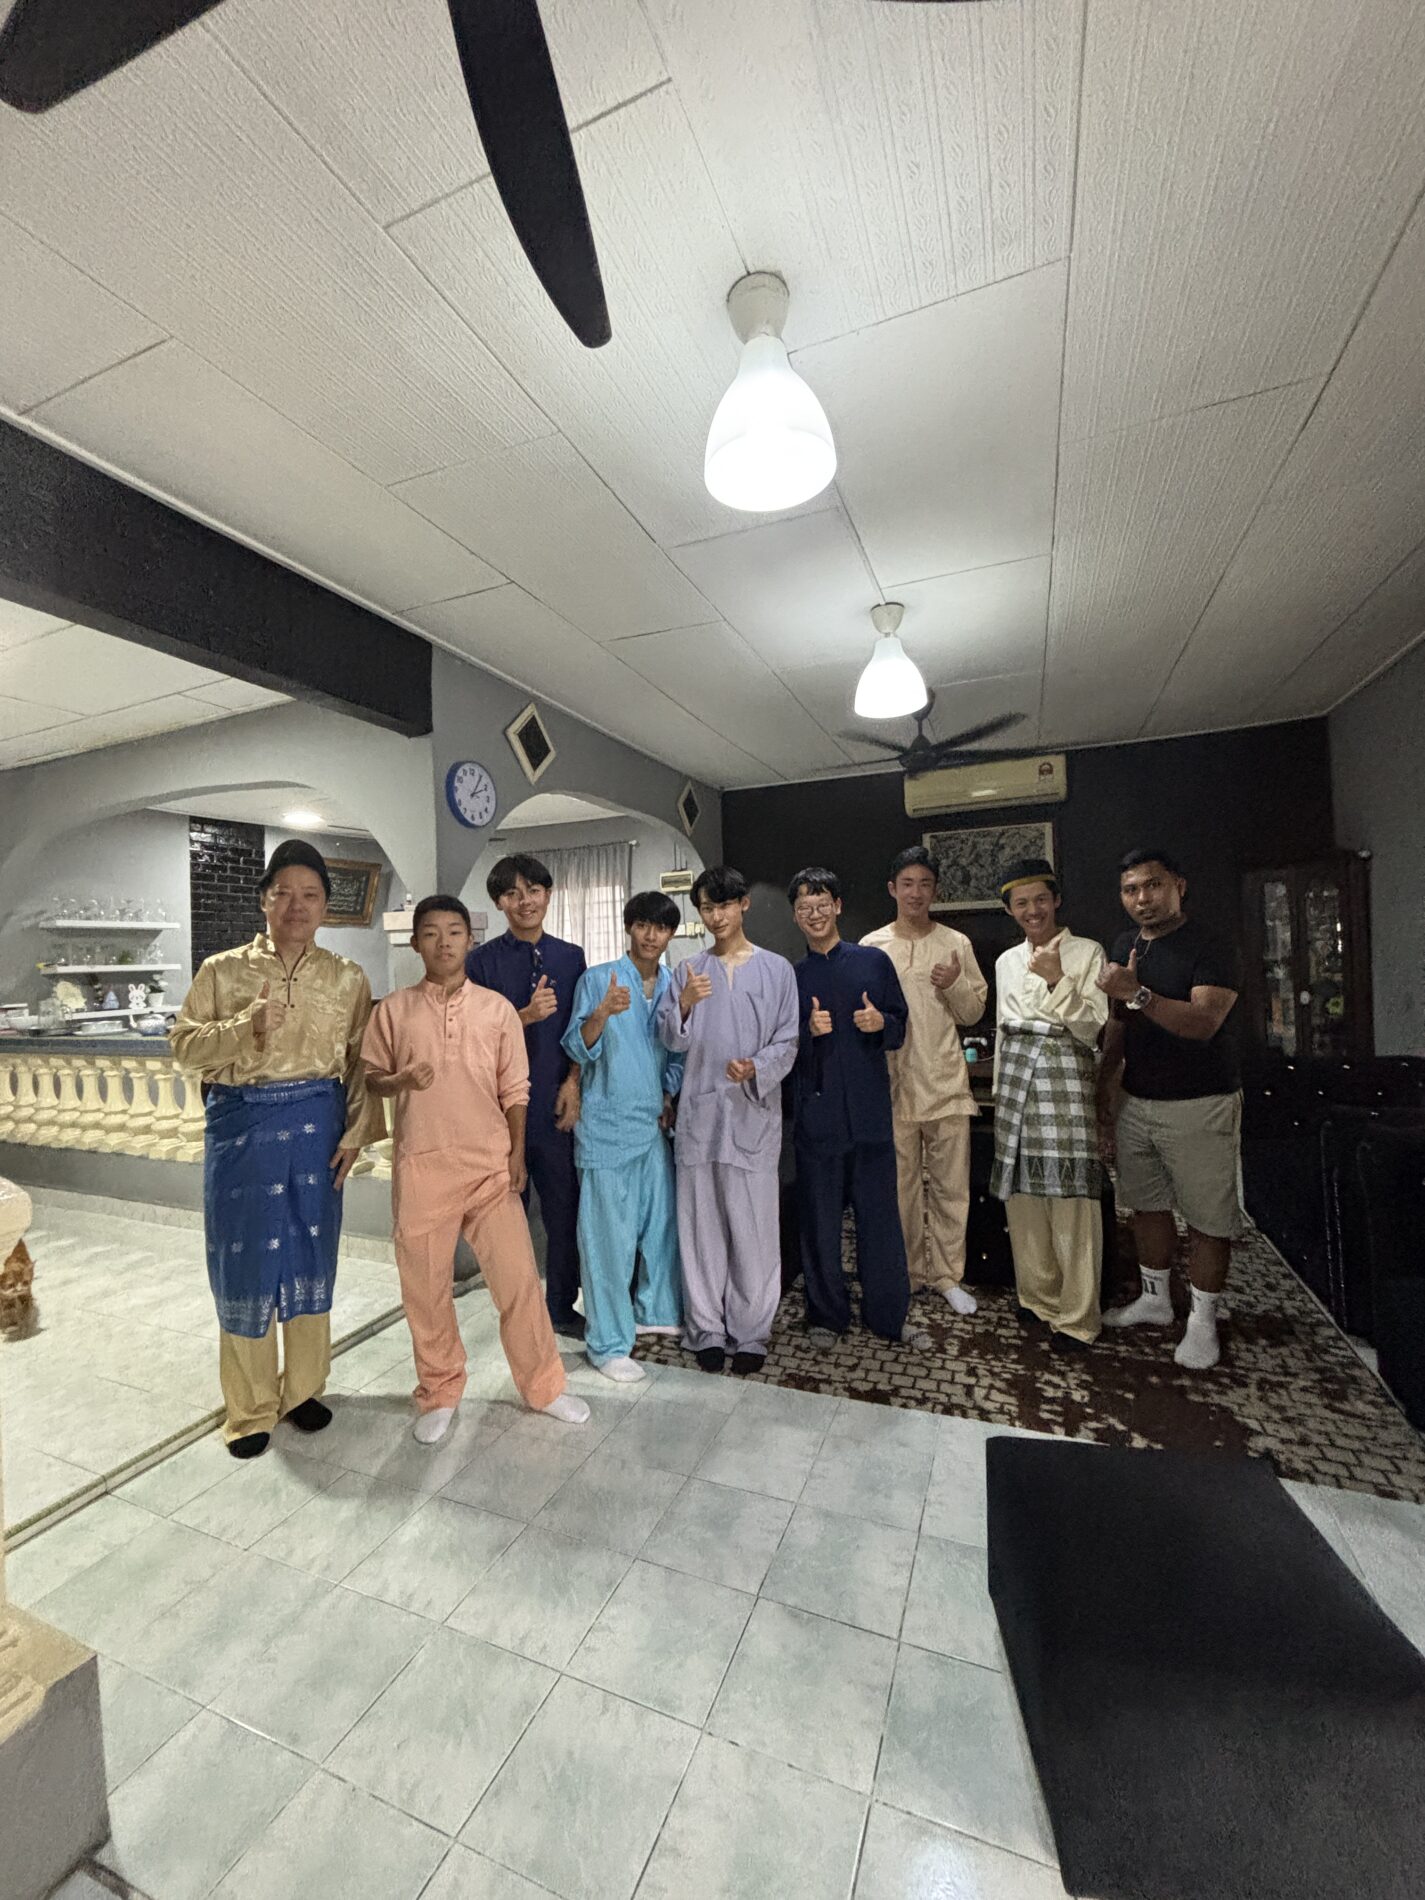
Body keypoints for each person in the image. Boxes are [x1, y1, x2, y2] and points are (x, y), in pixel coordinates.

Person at [172, 840, 381, 1459]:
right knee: (245, 1266)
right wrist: (245, 1028)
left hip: (317, 1133)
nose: (296, 905)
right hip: (243, 1135)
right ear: (264, 899)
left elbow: (360, 1063)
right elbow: (183, 1046)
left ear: (325, 906)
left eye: (310, 895)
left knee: (310, 1258)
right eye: (283, 893)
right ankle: (250, 1409)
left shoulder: (348, 977)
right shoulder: (222, 971)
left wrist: (356, 1133)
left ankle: (303, 1391)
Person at [362, 895, 590, 1442]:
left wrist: (515, 1153)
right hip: (422, 1167)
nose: (444, 943)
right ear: (416, 943)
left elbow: (516, 1088)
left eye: (454, 932)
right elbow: (371, 1077)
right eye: (432, 933)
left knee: (518, 1283)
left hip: (488, 1166)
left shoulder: (497, 1010)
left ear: (469, 940)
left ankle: (545, 1386)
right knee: (425, 1289)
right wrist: (401, 1081)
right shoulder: (393, 1010)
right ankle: (439, 1390)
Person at [1095, 848, 1242, 1371]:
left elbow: (1203, 1023)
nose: (1142, 898)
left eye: (1152, 885)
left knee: (1207, 1219)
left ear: (1178, 886)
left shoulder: (1211, 945)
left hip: (1200, 1102)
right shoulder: (1125, 945)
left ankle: (1203, 1321)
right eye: (1131, 889)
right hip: (1137, 1098)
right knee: (1146, 1206)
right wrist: (1103, 1084)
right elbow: (1118, 1021)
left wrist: (1137, 993)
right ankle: (1155, 1300)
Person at [657, 866, 798, 1374]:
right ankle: (707, 1329)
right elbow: (668, 1039)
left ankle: (752, 1330)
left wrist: (756, 1067)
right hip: (700, 1116)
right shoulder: (687, 970)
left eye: (724, 905)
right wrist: (684, 1006)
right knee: (700, 1228)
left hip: (751, 1115)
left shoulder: (777, 970)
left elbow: (788, 1039)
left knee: (754, 1229)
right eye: (707, 908)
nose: (716, 917)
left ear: (743, 905)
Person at [788, 868, 929, 1352]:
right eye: (804, 908)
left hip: (870, 1115)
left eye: (822, 904)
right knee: (820, 1223)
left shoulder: (874, 962)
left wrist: (879, 1021)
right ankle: (826, 1315)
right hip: (818, 1118)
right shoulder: (792, 977)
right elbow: (780, 1049)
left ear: (838, 906)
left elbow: (901, 1026)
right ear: (795, 916)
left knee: (881, 1220)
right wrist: (807, 1031)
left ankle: (889, 1315)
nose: (814, 914)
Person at [561, 891, 685, 1384]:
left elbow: (677, 1054)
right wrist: (602, 1013)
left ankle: (654, 1310)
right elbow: (576, 1047)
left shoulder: (674, 984)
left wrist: (669, 1093)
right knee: (606, 1241)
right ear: (629, 927)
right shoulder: (598, 979)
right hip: (607, 1125)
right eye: (643, 925)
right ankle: (608, 1342)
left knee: (660, 1225)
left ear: (671, 933)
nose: (651, 936)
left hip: (652, 1125)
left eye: (662, 927)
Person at [862, 845, 988, 1315]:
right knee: (902, 1188)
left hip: (945, 1081)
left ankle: (948, 1275)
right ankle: (911, 1272)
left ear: (936, 891)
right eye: (907, 884)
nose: (916, 893)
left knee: (952, 1187)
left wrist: (952, 983)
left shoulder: (956, 943)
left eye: (925, 884)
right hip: (893, 1083)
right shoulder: (872, 946)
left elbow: (972, 1012)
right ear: (892, 889)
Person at [466, 853, 586, 1339]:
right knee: (504, 1219)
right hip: (499, 1111)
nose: (525, 901)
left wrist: (574, 1083)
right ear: (499, 902)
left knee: (563, 1211)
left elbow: (581, 1028)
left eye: (533, 891)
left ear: (548, 895)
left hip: (555, 1104)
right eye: (512, 894)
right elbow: (471, 1036)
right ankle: (515, 1308)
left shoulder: (571, 957)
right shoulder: (480, 962)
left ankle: (561, 1307)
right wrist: (525, 1016)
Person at [991, 858, 1108, 1353]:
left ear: (1056, 900)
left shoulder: (1087, 952)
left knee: (1072, 1201)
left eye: (1041, 899)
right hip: (1015, 1081)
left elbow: (1094, 1029)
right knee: (1023, 1197)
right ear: (1010, 910)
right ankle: (1037, 1297)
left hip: (1065, 1079)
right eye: (1022, 903)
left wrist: (1059, 979)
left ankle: (1078, 1317)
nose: (1032, 910)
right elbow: (1002, 1031)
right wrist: (999, 1090)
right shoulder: (1005, 961)